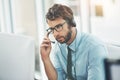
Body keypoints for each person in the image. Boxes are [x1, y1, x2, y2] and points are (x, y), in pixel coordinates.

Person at [40, 4, 107, 80]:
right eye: (52, 29)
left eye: (58, 27)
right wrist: (45, 58)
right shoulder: (58, 47)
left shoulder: (94, 47)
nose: (55, 34)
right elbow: (58, 78)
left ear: (71, 23)